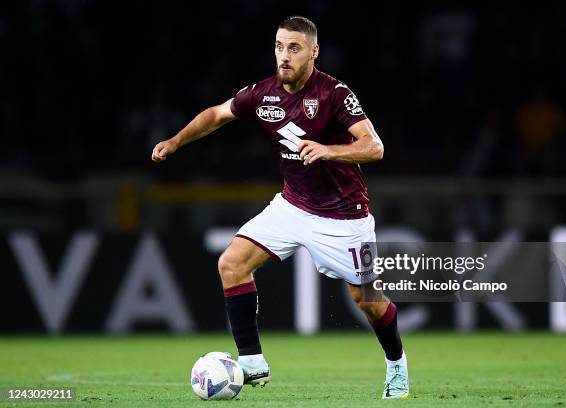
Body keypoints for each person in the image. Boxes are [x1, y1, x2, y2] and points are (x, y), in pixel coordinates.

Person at [151, 16, 409, 399]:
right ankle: (252, 363)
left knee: (368, 301)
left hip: (344, 216)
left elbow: (375, 146)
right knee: (231, 264)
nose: (284, 56)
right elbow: (218, 114)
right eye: (278, 47)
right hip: (291, 206)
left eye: (294, 48)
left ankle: (396, 366)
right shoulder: (263, 93)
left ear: (313, 51)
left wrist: (329, 150)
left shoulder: (335, 94)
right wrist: (175, 141)